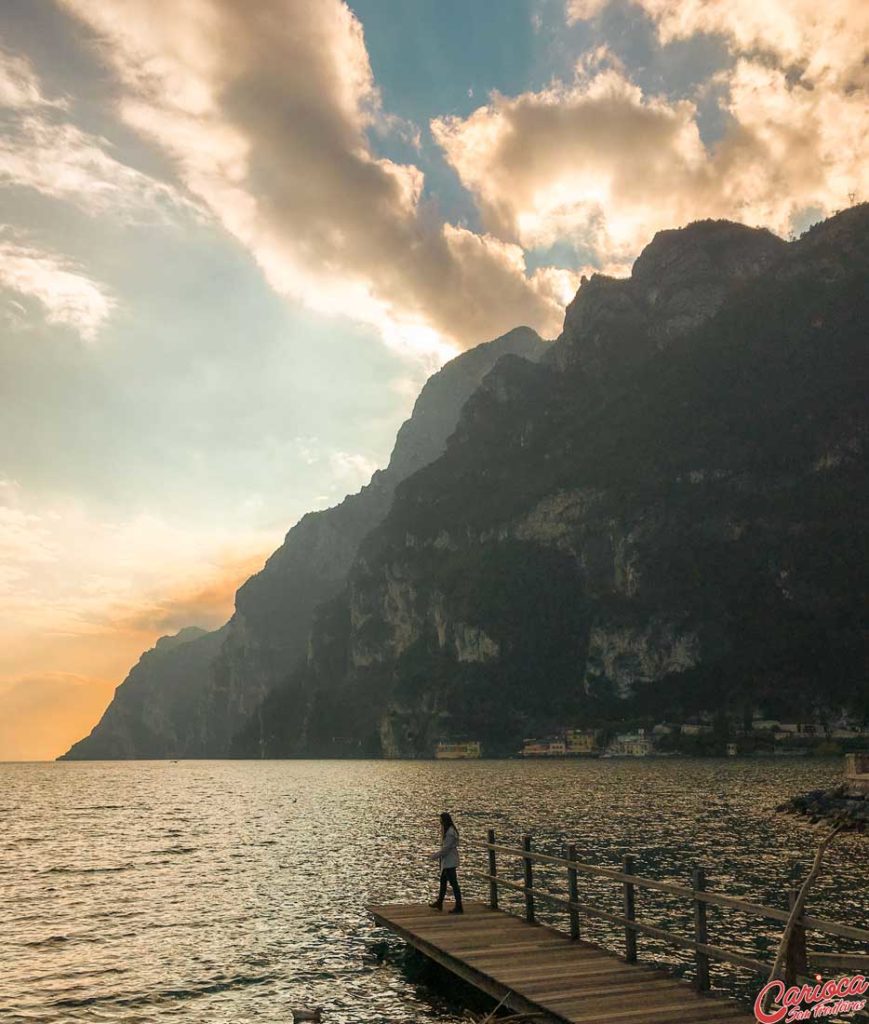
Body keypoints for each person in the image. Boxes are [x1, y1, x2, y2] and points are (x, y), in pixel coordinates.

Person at [428, 811, 463, 913]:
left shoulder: (450, 833)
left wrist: (434, 856)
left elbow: (446, 849)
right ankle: (439, 902)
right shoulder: (449, 831)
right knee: (443, 882)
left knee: (454, 883)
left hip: (449, 862)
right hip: (447, 861)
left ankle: (459, 906)